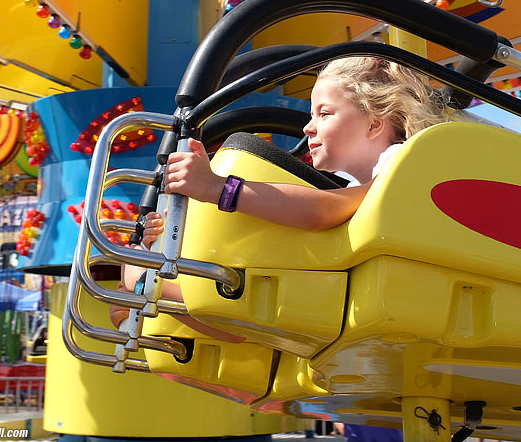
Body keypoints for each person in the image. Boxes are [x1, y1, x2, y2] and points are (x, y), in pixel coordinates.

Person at [110, 56, 447, 332]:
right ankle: (156, 288)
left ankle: (151, 286)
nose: (308, 126)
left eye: (324, 113)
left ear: (374, 123)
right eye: (311, 114)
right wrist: (168, 241)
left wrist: (217, 189)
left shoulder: (402, 162)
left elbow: (322, 211)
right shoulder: (355, 187)